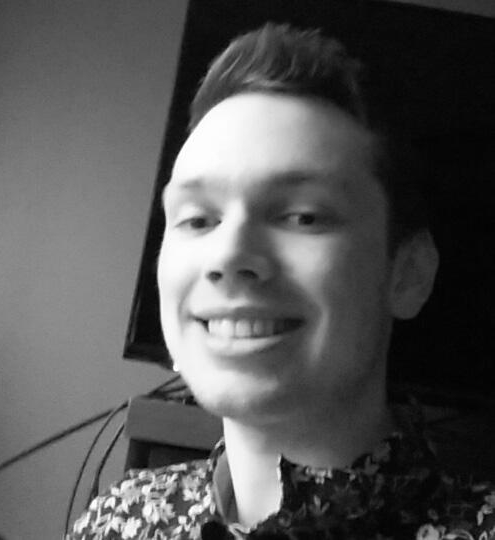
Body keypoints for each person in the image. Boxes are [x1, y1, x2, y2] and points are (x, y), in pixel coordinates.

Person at [68, 23, 495, 540]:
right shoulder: (115, 520)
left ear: (409, 273)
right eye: (198, 219)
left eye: (303, 216)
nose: (228, 255)